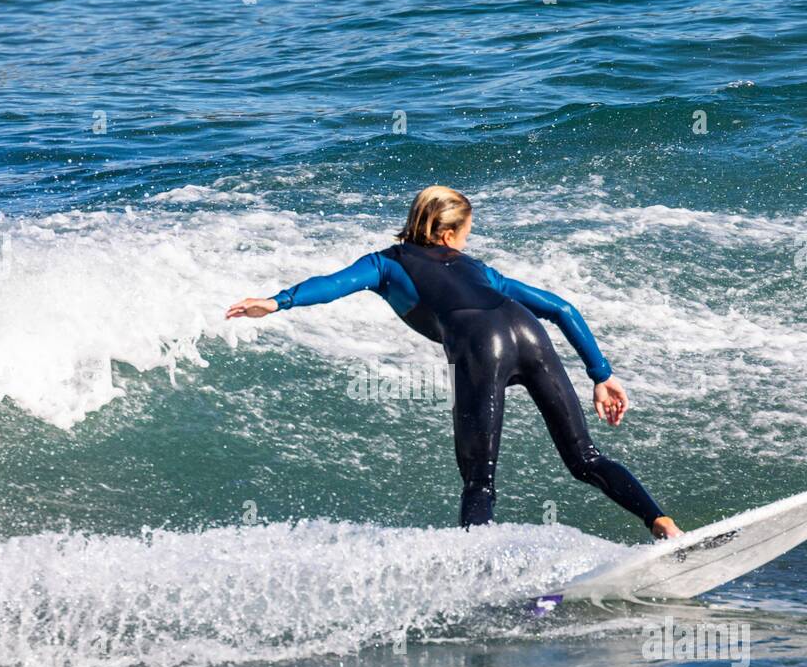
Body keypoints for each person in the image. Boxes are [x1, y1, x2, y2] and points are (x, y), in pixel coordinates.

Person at [226, 186, 683, 539]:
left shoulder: (385, 263)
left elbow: (333, 283)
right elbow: (561, 308)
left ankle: (478, 578)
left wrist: (278, 301)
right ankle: (661, 523)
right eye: (466, 233)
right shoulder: (482, 271)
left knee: (480, 482)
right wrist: (602, 376)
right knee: (585, 459)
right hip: (526, 329)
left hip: (481, 345)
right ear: (447, 234)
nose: (466, 243)